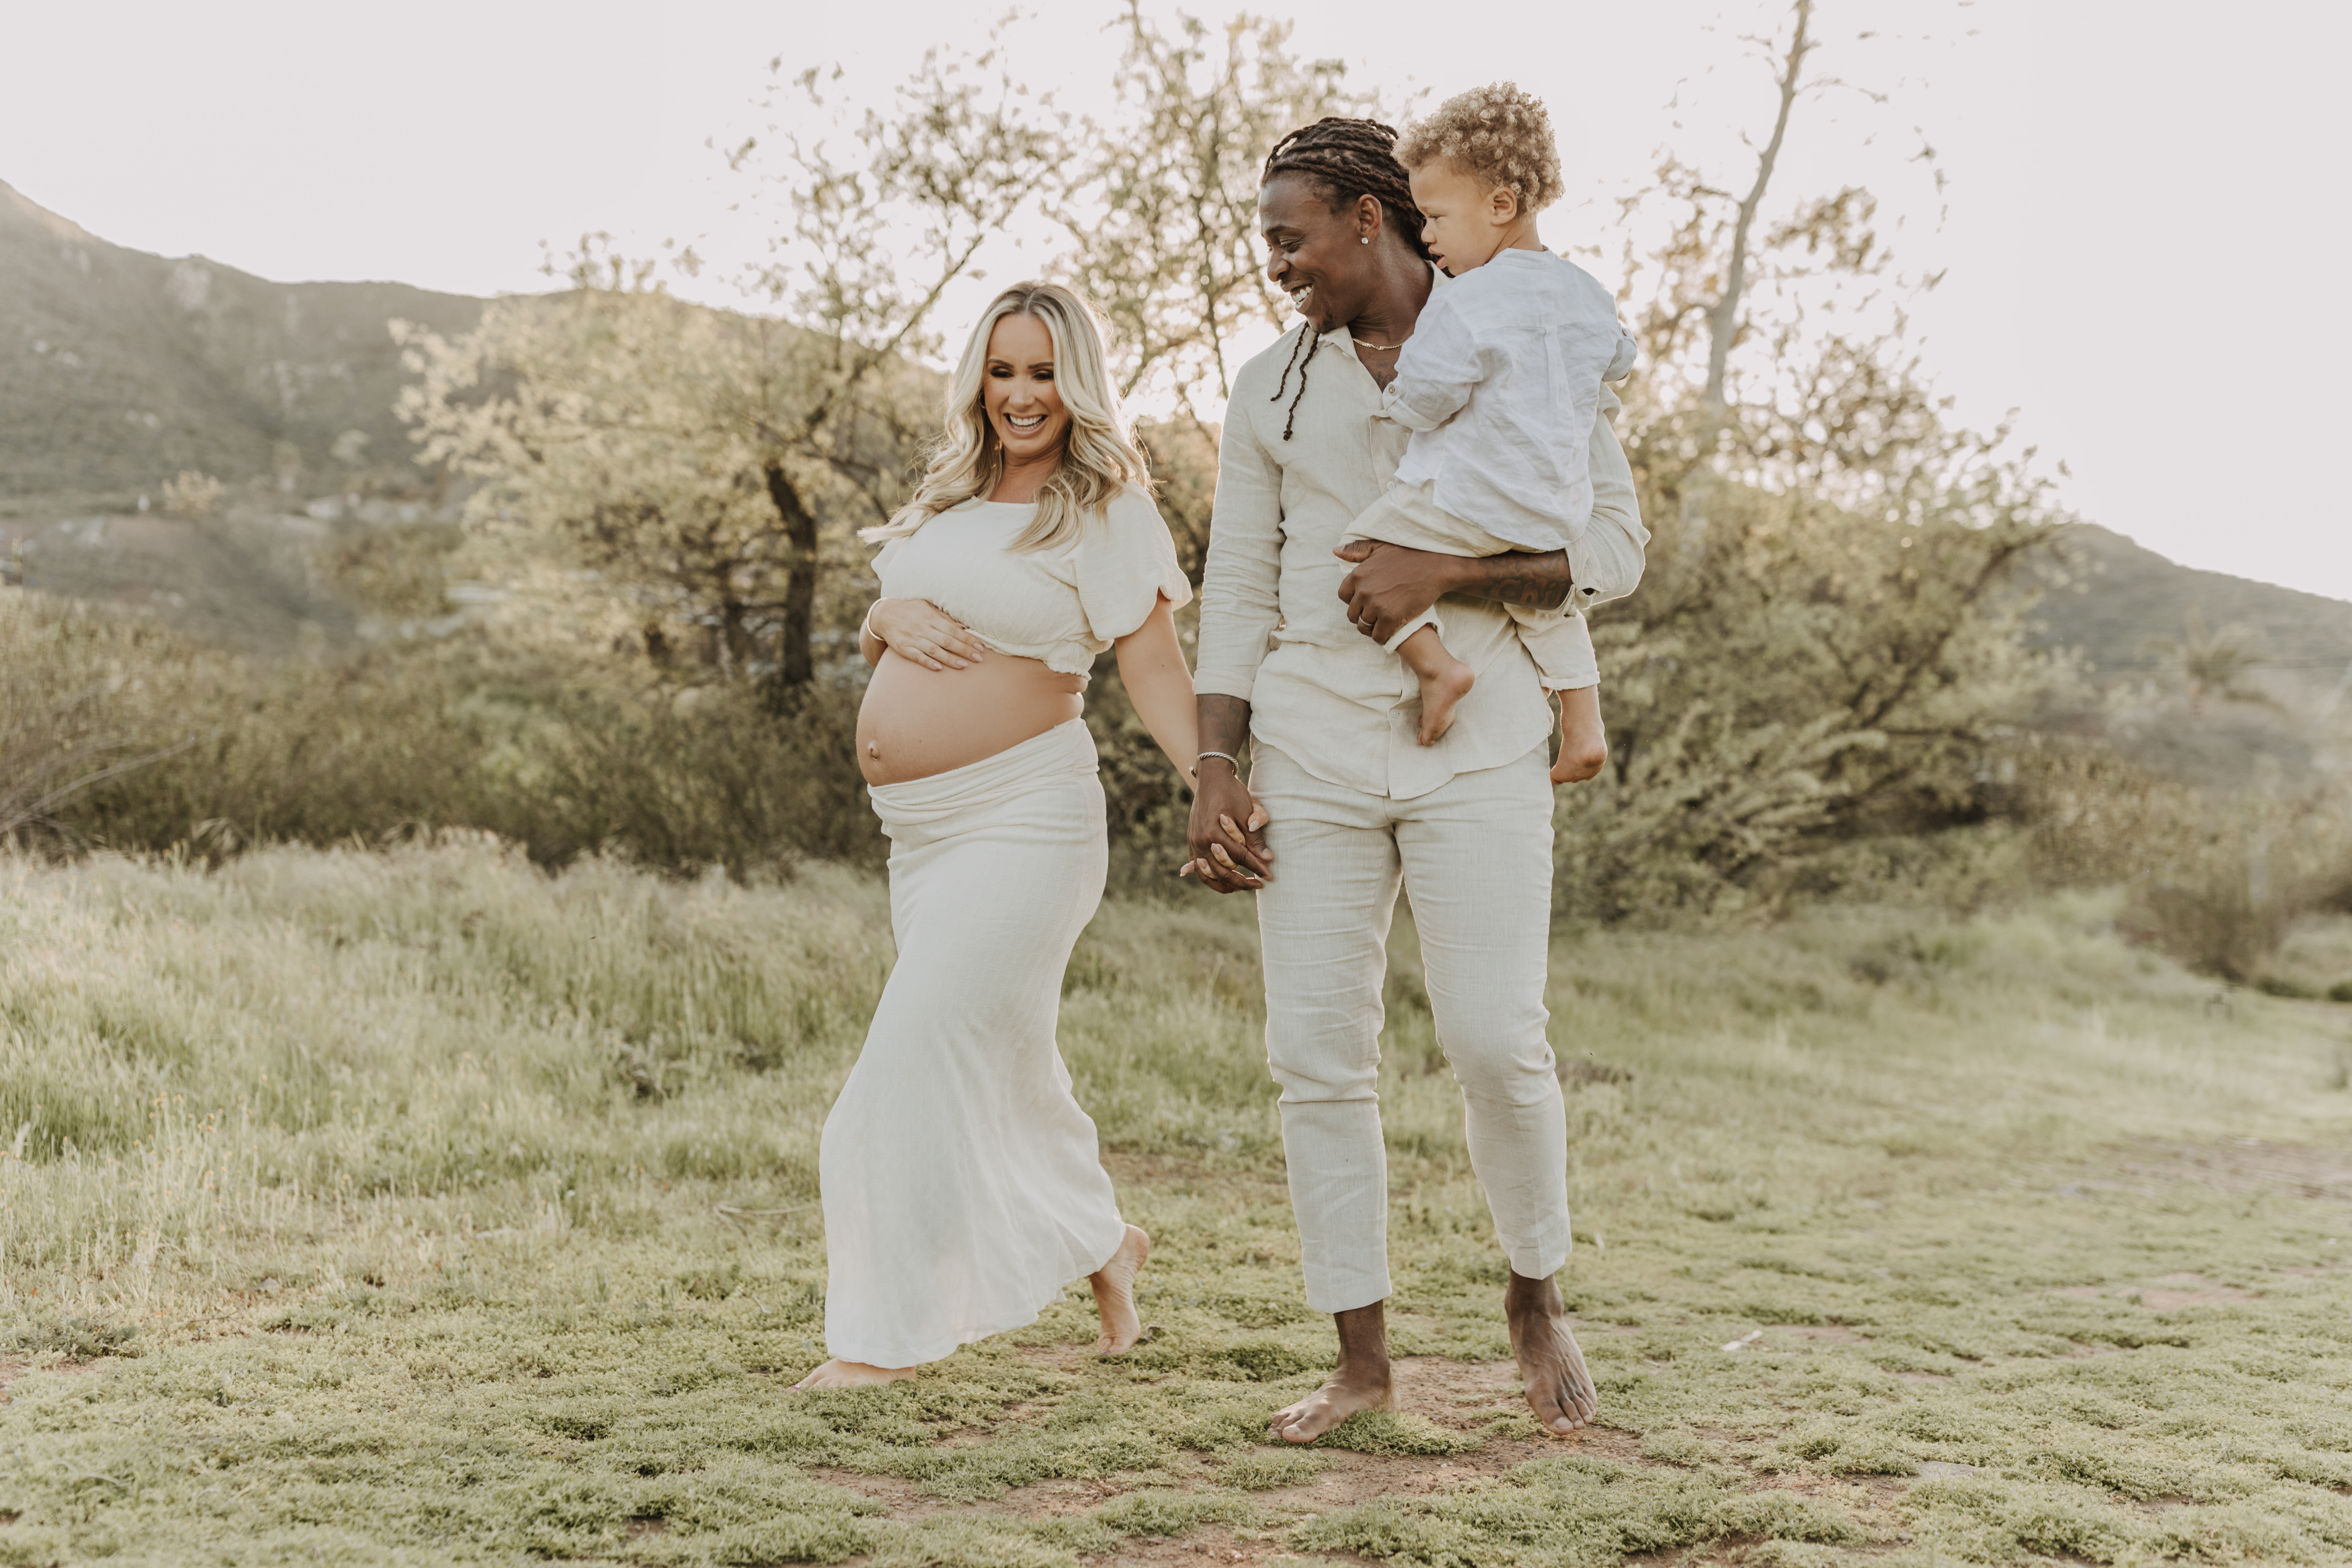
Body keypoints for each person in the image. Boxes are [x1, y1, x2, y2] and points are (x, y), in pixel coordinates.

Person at [1185, 117, 1647, 1442]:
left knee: (1498, 1041)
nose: (1277, 266)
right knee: (1317, 1059)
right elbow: (1240, 586)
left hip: (1483, 740)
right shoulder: (1269, 388)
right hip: (1313, 747)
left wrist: (1451, 576)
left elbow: (1614, 549)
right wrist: (1217, 763)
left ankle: (1535, 1295)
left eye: (1291, 238)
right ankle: (1361, 1361)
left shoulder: (1529, 335)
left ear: (1369, 220)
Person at [793, 282, 1200, 1389]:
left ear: (1079, 383)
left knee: (908, 1064)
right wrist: (882, 618)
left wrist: (1214, 781)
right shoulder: (949, 494)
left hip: (1027, 818)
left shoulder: (1106, 504)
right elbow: (900, 631)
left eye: (1044, 374)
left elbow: (1150, 661)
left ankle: (879, 1343)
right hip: (920, 839)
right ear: (979, 375)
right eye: (1004, 370)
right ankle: (1104, 1245)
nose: (1023, 396)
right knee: (1007, 1063)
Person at [1344, 83, 1639, 770]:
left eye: (1438, 216)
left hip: (1473, 499)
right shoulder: (1587, 293)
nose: (1427, 235)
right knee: (1549, 607)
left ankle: (1437, 665)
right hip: (1555, 508)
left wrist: (1397, 402)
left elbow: (1430, 395)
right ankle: (1585, 722)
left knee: (1363, 552)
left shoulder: (1470, 301)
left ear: (1501, 206)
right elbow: (1620, 357)